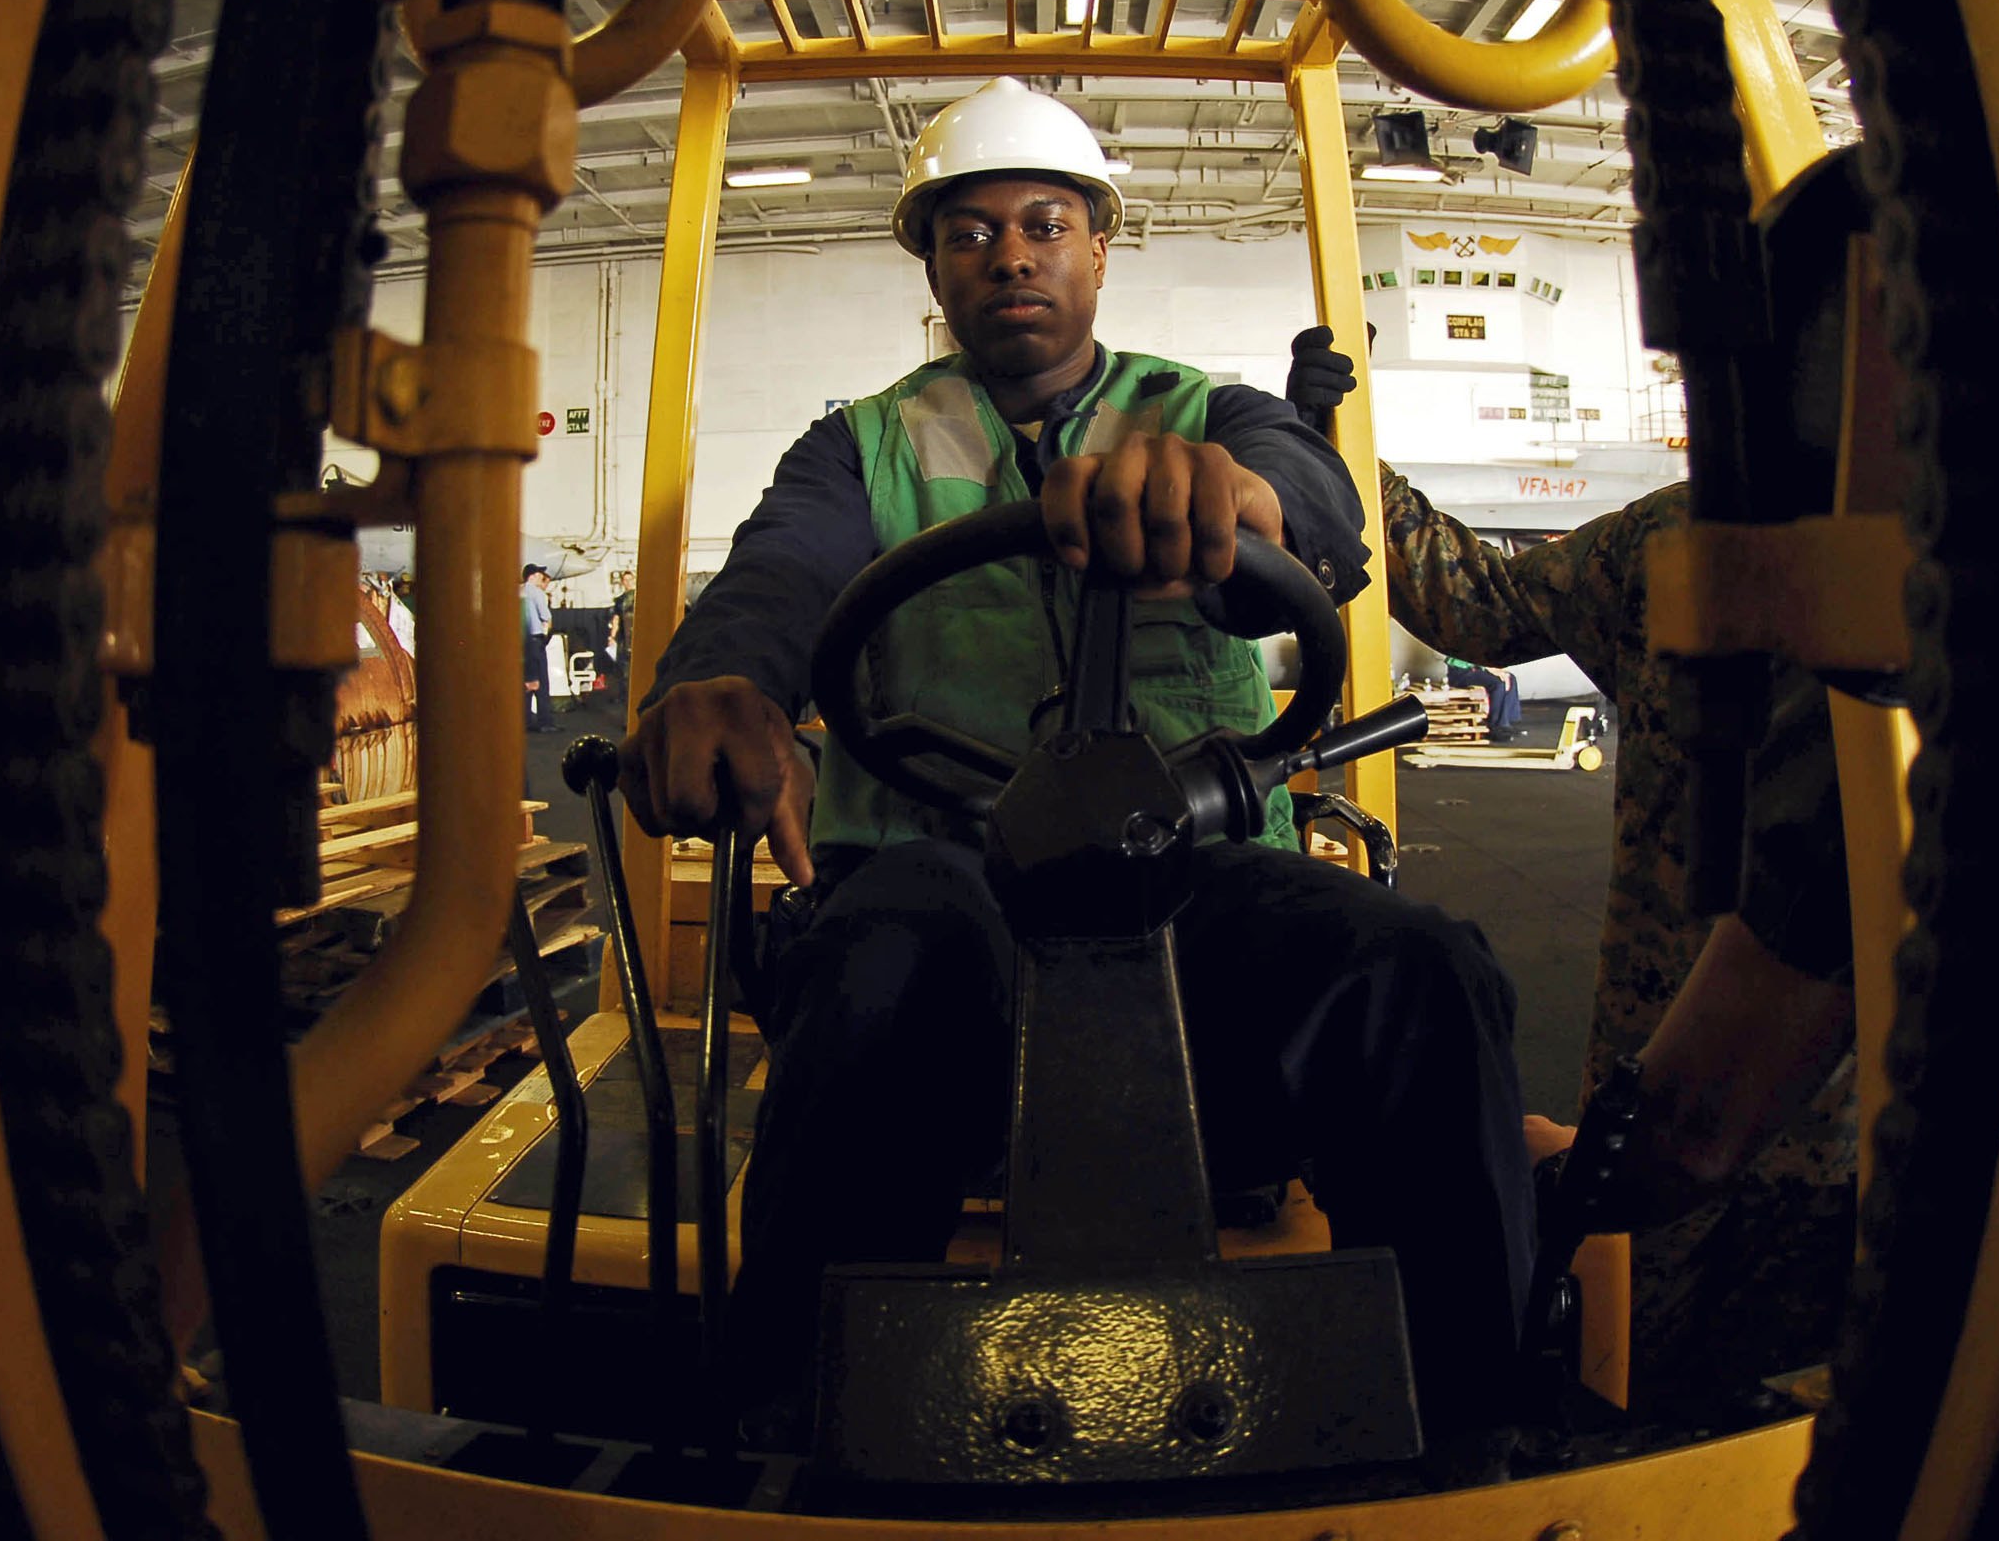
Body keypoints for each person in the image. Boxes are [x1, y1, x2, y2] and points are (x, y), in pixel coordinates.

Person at [620, 77, 1536, 1469]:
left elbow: (1320, 512)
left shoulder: (1208, 411)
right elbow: (780, 576)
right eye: (972, 231)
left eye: (1046, 221)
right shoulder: (854, 449)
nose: (1012, 253)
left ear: (1101, 244)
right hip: (940, 895)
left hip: (1192, 887)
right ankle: (785, 1432)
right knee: (888, 948)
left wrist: (1243, 500)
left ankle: (1474, 1430)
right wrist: (725, 680)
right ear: (932, 262)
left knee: (1415, 972)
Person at [1282, 149, 1867, 1421]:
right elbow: (1472, 598)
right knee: (1656, 1401)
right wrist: (1339, 457)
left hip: (1843, 1153)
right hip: (1658, 1090)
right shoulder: (1675, 539)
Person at [519, 562, 554, 732]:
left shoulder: (518, 591)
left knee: (525, 681)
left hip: (520, 642)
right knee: (541, 682)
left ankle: (525, 720)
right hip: (535, 639)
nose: (542, 577)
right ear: (532, 576)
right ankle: (545, 722)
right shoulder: (537, 593)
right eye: (540, 574)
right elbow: (545, 616)